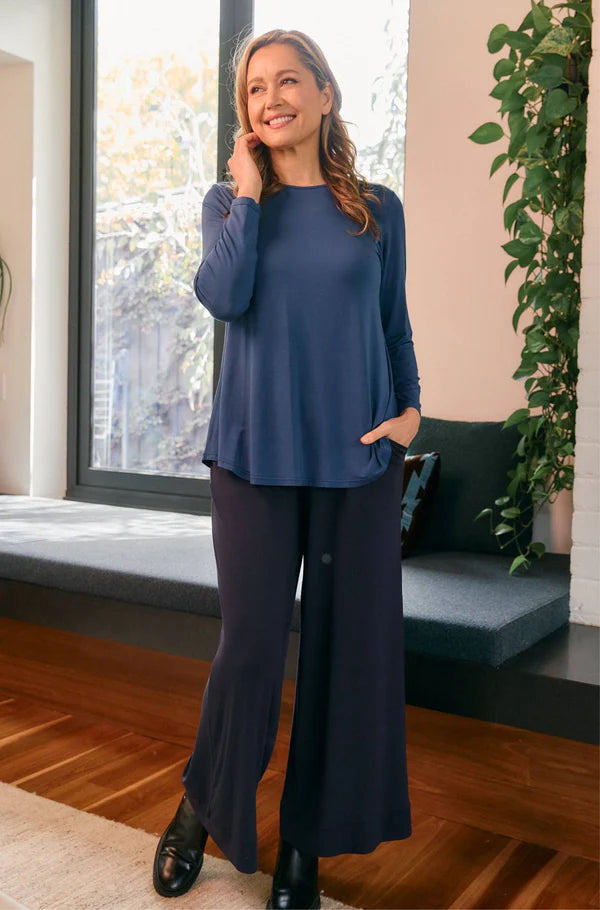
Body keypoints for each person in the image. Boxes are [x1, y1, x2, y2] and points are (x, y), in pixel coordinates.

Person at [153, 27, 421, 910]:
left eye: (289, 80)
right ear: (245, 114)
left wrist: (411, 410)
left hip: (358, 465)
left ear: (325, 93)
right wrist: (246, 189)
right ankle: (200, 807)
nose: (272, 98)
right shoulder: (229, 204)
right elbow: (224, 297)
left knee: (345, 659)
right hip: (254, 457)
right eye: (255, 88)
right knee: (252, 650)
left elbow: (393, 325)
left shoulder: (376, 209)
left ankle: (304, 845)